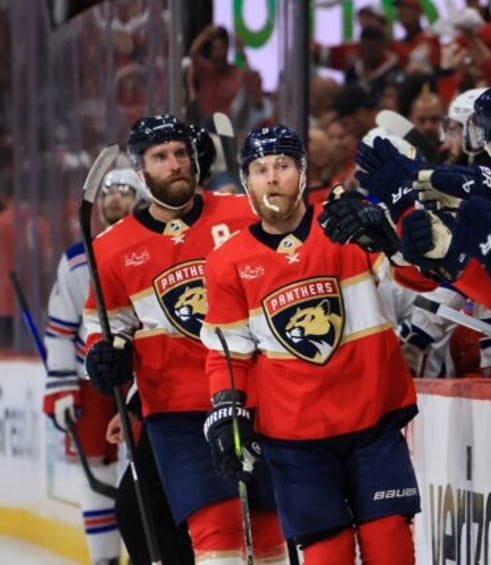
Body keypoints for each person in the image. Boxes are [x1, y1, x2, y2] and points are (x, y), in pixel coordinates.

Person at [201, 124, 420, 563]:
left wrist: (393, 242)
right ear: (246, 181)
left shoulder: (345, 225)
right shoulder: (228, 261)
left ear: (302, 172)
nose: (273, 177)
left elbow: (416, 284)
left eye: (282, 165)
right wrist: (227, 408)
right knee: (327, 555)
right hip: (294, 438)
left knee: (389, 546)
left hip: (372, 421)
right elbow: (229, 353)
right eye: (260, 169)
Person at [82, 113, 287, 563]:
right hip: (177, 412)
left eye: (180, 153)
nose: (174, 163)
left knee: (271, 527)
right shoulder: (113, 247)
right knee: (215, 530)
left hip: (257, 396)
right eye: (160, 157)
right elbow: (105, 326)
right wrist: (102, 355)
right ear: (140, 171)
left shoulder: (240, 213)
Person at [42, 168, 143, 565]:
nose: (115, 199)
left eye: (124, 191)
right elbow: (60, 330)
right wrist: (61, 387)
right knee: (98, 479)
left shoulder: (148, 251)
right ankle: (104, 560)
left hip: (140, 383)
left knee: (139, 476)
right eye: (108, 193)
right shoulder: (75, 261)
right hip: (91, 385)